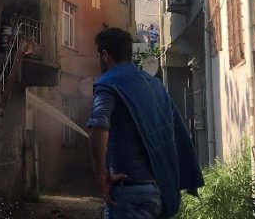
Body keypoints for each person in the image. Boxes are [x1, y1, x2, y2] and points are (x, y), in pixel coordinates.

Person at [86, 28, 203, 218]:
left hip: (129, 194)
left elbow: (98, 124)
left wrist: (101, 175)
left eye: (98, 55)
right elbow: (175, 130)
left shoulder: (107, 82)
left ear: (105, 55)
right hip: (160, 190)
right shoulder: (154, 84)